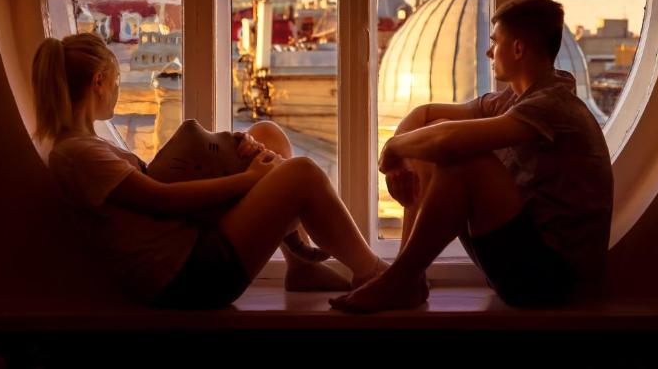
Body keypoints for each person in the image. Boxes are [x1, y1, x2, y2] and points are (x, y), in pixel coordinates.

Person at [32, 32, 390, 309]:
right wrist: (249, 178)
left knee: (266, 135)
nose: (116, 91)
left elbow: (153, 196)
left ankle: (301, 267)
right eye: (116, 82)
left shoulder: (87, 147)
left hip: (187, 252)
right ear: (98, 82)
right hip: (187, 276)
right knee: (304, 174)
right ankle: (376, 275)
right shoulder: (76, 155)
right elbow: (163, 200)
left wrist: (233, 155)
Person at [331, 0, 614, 313]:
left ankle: (399, 280)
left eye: (496, 42)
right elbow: (426, 116)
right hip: (526, 268)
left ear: (518, 48)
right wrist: (403, 156)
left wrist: (393, 149)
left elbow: (449, 142)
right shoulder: (512, 100)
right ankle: (408, 278)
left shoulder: (553, 105)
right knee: (433, 136)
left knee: (464, 159)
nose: (489, 51)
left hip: (556, 284)